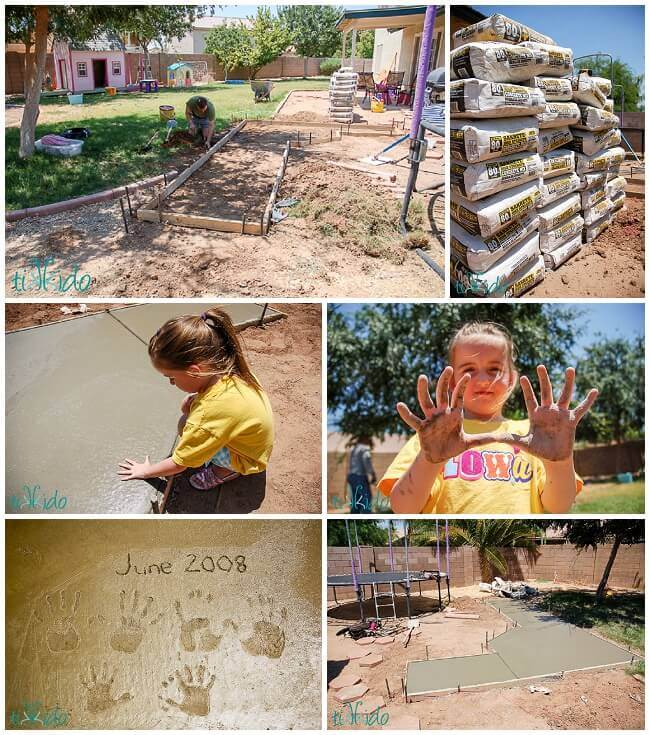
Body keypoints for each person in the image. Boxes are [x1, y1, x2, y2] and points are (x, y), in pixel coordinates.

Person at [379, 322, 598, 514]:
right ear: (454, 382)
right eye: (469, 370)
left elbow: (559, 505)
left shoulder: (532, 433)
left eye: (494, 369)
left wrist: (559, 462)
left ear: (511, 379)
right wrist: (428, 460)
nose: (483, 380)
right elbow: (403, 507)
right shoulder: (430, 438)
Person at [118, 308, 274, 491]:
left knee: (187, 426)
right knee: (186, 421)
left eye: (171, 377)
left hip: (248, 457)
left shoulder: (208, 413)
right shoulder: (230, 369)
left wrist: (147, 471)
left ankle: (225, 471)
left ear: (194, 371)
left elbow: (179, 464)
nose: (170, 383)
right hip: (253, 444)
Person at [346, 435, 377, 513]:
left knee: (356, 500)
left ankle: (354, 515)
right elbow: (366, 461)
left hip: (351, 476)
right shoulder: (364, 448)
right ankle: (367, 516)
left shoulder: (354, 449)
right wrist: (372, 474)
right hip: (359, 477)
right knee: (366, 498)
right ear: (365, 439)